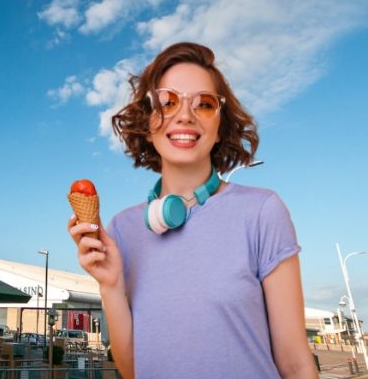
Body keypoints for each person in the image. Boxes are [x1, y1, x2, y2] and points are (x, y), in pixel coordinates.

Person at [68, 42, 316, 379]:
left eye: (204, 104)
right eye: (167, 102)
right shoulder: (121, 230)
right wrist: (109, 285)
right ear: (148, 119)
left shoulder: (262, 212)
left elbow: (296, 364)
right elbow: (132, 371)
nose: (185, 114)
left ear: (219, 123)